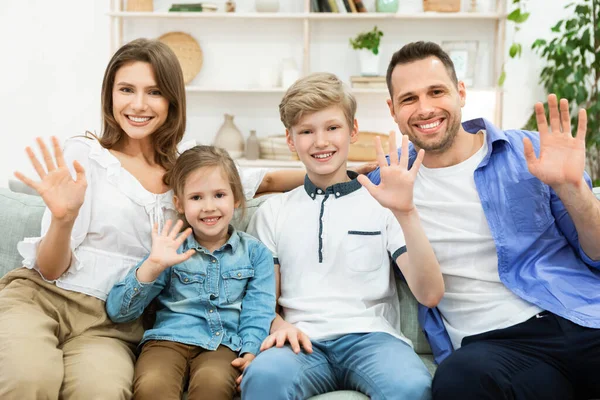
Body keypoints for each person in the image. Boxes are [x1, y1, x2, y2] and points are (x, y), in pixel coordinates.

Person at [0, 38, 302, 400]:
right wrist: (64, 219)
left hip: (113, 324)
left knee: (103, 393)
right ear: (110, 95)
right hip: (43, 297)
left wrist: (349, 173)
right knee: (28, 381)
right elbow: (49, 271)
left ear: (172, 101)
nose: (138, 105)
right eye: (126, 89)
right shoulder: (85, 155)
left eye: (154, 92)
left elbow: (264, 180)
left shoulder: (188, 169)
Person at [367, 41, 600, 400]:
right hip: (495, 350)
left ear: (461, 93)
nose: (425, 108)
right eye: (409, 98)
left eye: (436, 91)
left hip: (579, 317)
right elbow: (324, 176)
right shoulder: (388, 184)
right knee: (457, 380)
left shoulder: (530, 152)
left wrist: (574, 190)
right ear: (393, 110)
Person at [241, 72, 444, 400]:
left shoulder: (385, 204)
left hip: (373, 339)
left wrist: (406, 213)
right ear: (291, 140)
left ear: (353, 130)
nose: (321, 142)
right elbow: (264, 300)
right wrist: (280, 327)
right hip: (299, 341)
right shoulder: (273, 212)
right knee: (263, 379)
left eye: (332, 128)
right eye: (306, 131)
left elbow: (431, 294)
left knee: (411, 387)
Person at [105, 145, 276, 400]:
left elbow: (258, 310)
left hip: (223, 344)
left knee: (214, 385)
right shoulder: (170, 247)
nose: (209, 206)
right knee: (152, 385)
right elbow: (118, 311)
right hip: (166, 340)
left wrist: (250, 351)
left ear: (236, 198)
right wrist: (153, 265)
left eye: (219, 195)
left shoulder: (255, 253)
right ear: (180, 204)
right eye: (196, 198)